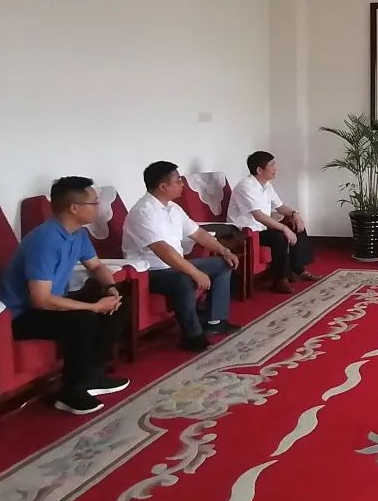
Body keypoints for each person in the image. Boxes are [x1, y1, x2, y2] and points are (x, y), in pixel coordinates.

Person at [0, 177, 130, 415]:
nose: (98, 207)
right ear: (74, 208)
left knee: (119, 305)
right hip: (21, 315)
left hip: (50, 305)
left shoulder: (78, 234)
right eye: (94, 203)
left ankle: (92, 375)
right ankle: (70, 391)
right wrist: (93, 307)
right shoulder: (45, 240)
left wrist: (111, 289)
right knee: (84, 320)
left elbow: (96, 266)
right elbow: (41, 300)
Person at [123, 161, 240, 352]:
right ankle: (192, 336)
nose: (182, 184)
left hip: (176, 264)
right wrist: (194, 272)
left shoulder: (173, 208)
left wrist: (224, 250)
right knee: (182, 279)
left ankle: (215, 321)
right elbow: (163, 251)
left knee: (223, 264)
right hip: (150, 272)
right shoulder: (143, 212)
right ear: (163, 186)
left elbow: (198, 233)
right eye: (177, 181)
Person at [227, 151, 318, 294]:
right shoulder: (246, 186)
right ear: (259, 170)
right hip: (245, 232)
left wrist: (295, 214)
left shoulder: (266, 185)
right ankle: (280, 280)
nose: (276, 169)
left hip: (261, 228)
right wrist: (284, 228)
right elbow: (259, 216)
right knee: (279, 236)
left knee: (295, 225)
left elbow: (280, 207)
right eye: (272, 165)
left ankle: (298, 270)